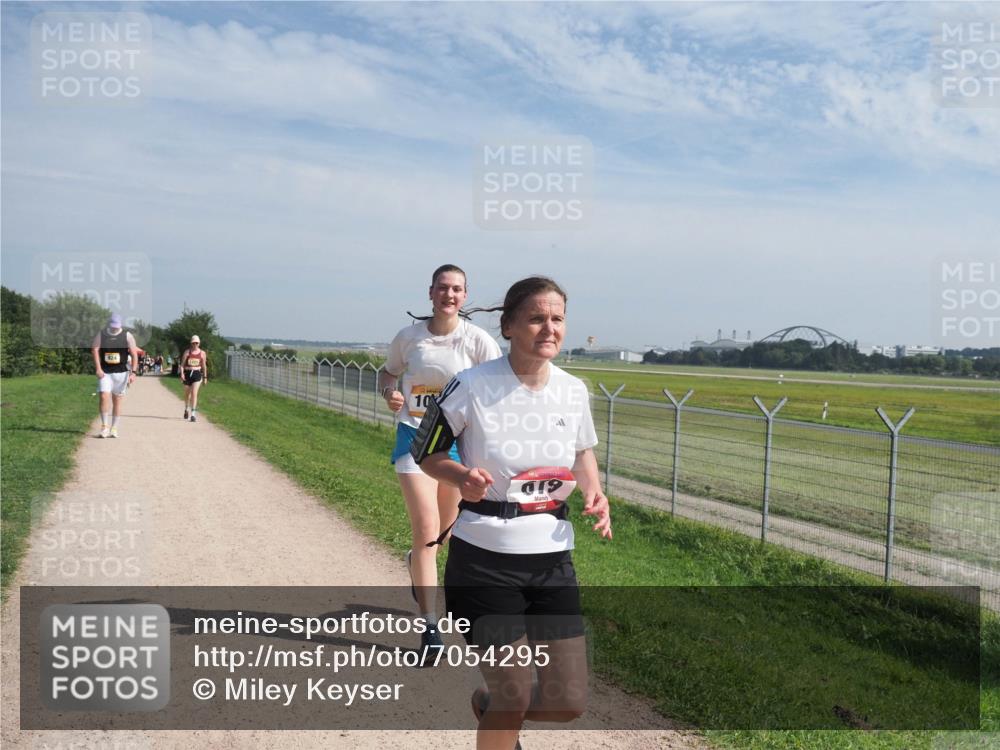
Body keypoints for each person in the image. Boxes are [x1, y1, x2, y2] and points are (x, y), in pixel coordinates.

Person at [412, 276, 612, 750]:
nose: (549, 328)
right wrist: (462, 477)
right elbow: (426, 453)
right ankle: (501, 709)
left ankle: (488, 706)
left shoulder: (573, 391)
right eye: (536, 318)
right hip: (484, 561)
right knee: (514, 694)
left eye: (557, 318)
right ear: (508, 327)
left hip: (552, 561)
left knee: (569, 702)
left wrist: (596, 493)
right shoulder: (471, 385)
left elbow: (581, 452)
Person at [378, 264, 501, 657]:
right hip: (414, 440)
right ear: (430, 292)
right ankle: (430, 628)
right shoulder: (409, 337)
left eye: (457, 289)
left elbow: (499, 385)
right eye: (443, 287)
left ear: (465, 296)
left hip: (456, 447)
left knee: (443, 536)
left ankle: (416, 562)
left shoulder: (477, 341)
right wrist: (391, 393)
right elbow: (387, 374)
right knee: (427, 530)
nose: (449, 295)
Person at [91, 313, 139, 438]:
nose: (114, 328)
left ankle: (114, 428)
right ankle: (104, 427)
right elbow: (95, 349)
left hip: (121, 372)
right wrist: (98, 368)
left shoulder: (127, 335)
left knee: (117, 400)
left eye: (116, 326)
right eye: (112, 326)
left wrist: (133, 372)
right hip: (105, 372)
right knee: (103, 396)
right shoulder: (102, 334)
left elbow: (134, 354)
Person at [179, 335, 208, 421]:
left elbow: (204, 366)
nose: (195, 344)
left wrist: (205, 377)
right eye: (193, 343)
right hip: (187, 374)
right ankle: (186, 409)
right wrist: (182, 374)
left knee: (194, 393)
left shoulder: (202, 353)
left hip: (197, 374)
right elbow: (182, 365)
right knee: (187, 394)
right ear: (191, 343)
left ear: (199, 343)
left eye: (196, 343)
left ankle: (193, 414)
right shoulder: (187, 352)